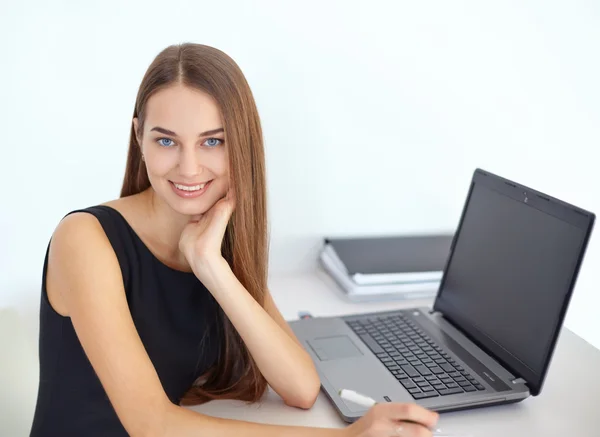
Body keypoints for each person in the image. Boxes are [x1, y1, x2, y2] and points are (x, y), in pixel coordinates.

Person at [29, 43, 439, 437]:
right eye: (166, 140)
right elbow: (152, 425)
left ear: (240, 143)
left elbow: (300, 386)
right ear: (139, 137)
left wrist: (211, 266)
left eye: (213, 141)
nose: (189, 168)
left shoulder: (214, 239)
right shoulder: (85, 239)